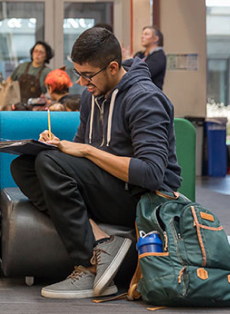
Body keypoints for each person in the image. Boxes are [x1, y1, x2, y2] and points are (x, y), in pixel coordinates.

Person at [10, 27, 181, 299]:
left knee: (49, 164)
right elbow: (78, 149)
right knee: (23, 166)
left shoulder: (145, 99)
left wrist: (87, 151)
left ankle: (90, 266)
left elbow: (151, 174)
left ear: (113, 67)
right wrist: (55, 145)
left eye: (87, 75)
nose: (81, 82)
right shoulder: (92, 95)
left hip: (146, 198)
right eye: (78, 73)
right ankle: (102, 241)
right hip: (112, 188)